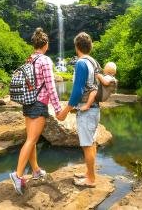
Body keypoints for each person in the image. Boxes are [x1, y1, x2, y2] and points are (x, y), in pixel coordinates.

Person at [10, 28, 62, 195]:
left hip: (27, 102)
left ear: (34, 44)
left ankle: (36, 170)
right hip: (39, 103)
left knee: (30, 139)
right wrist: (58, 108)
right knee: (32, 140)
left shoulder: (29, 59)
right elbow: (51, 86)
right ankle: (17, 175)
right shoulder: (45, 60)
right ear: (45, 44)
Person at [56, 32, 99, 188]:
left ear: (76, 47)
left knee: (87, 145)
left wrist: (65, 110)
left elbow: (78, 91)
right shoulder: (94, 62)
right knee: (91, 142)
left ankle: (91, 179)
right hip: (95, 108)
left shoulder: (81, 63)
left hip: (86, 111)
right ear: (90, 46)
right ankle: (89, 173)